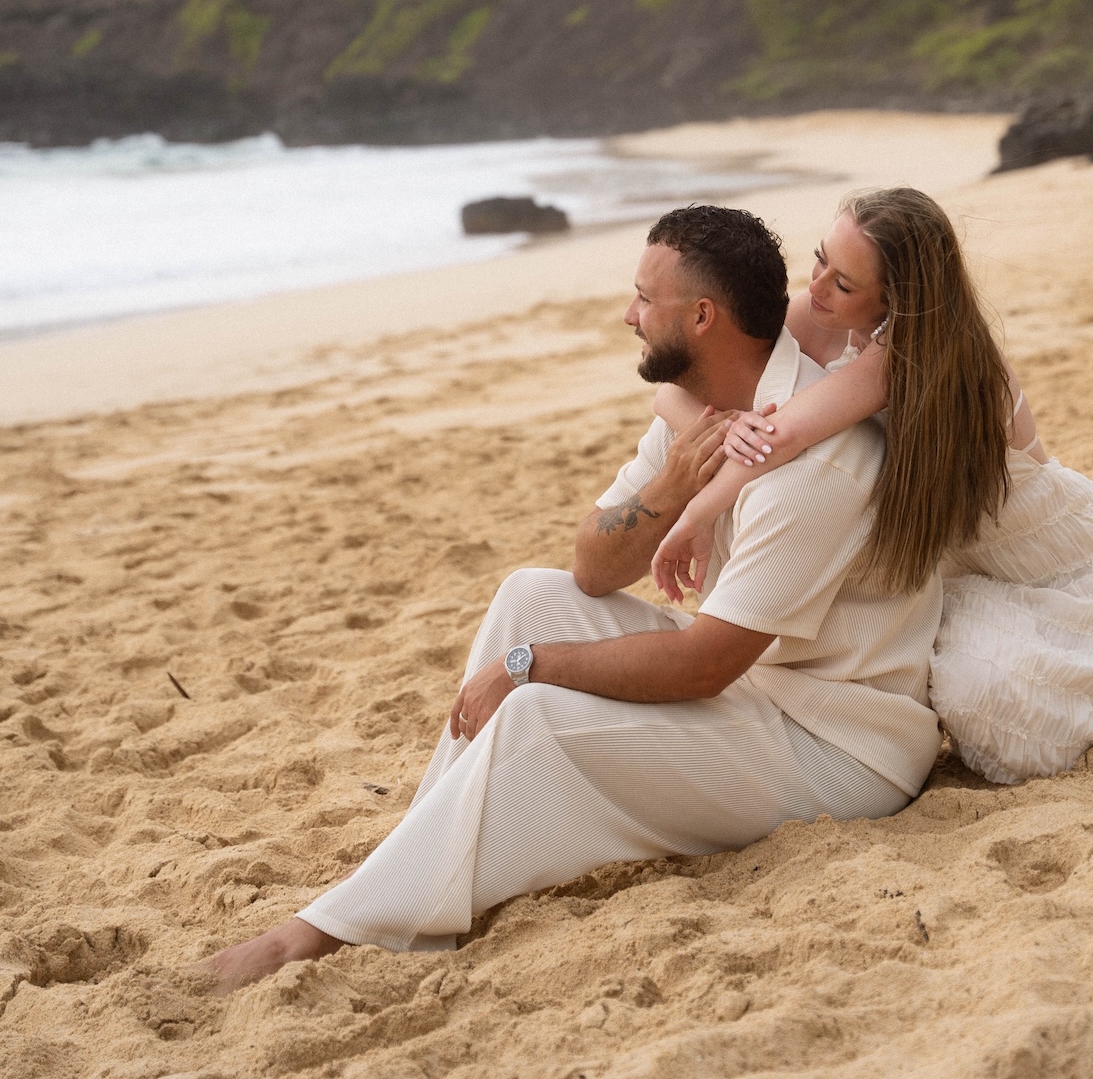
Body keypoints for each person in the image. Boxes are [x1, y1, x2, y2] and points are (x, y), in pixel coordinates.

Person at [203, 204, 944, 991]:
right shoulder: (708, 416)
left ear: (701, 317)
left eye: (642, 299)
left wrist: (528, 667)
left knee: (537, 709)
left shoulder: (816, 465)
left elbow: (705, 666)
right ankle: (421, 855)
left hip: (838, 747)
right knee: (530, 594)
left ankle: (318, 934)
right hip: (763, 692)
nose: (628, 315)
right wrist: (671, 482)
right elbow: (592, 567)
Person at [651, 187, 1093, 785]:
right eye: (819, 259)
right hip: (964, 561)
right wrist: (727, 424)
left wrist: (696, 514)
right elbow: (677, 385)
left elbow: (782, 435)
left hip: (1046, 558)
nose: (814, 286)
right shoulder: (821, 311)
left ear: (897, 301)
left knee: (999, 707)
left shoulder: (910, 352)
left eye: (843, 282)